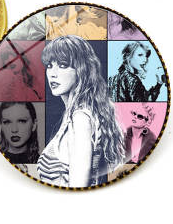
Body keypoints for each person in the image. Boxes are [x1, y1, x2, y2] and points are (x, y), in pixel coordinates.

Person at [37, 35, 124, 187]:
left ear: (82, 70)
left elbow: (78, 188)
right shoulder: (74, 113)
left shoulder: (80, 118)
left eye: (63, 65)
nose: (52, 73)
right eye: (49, 65)